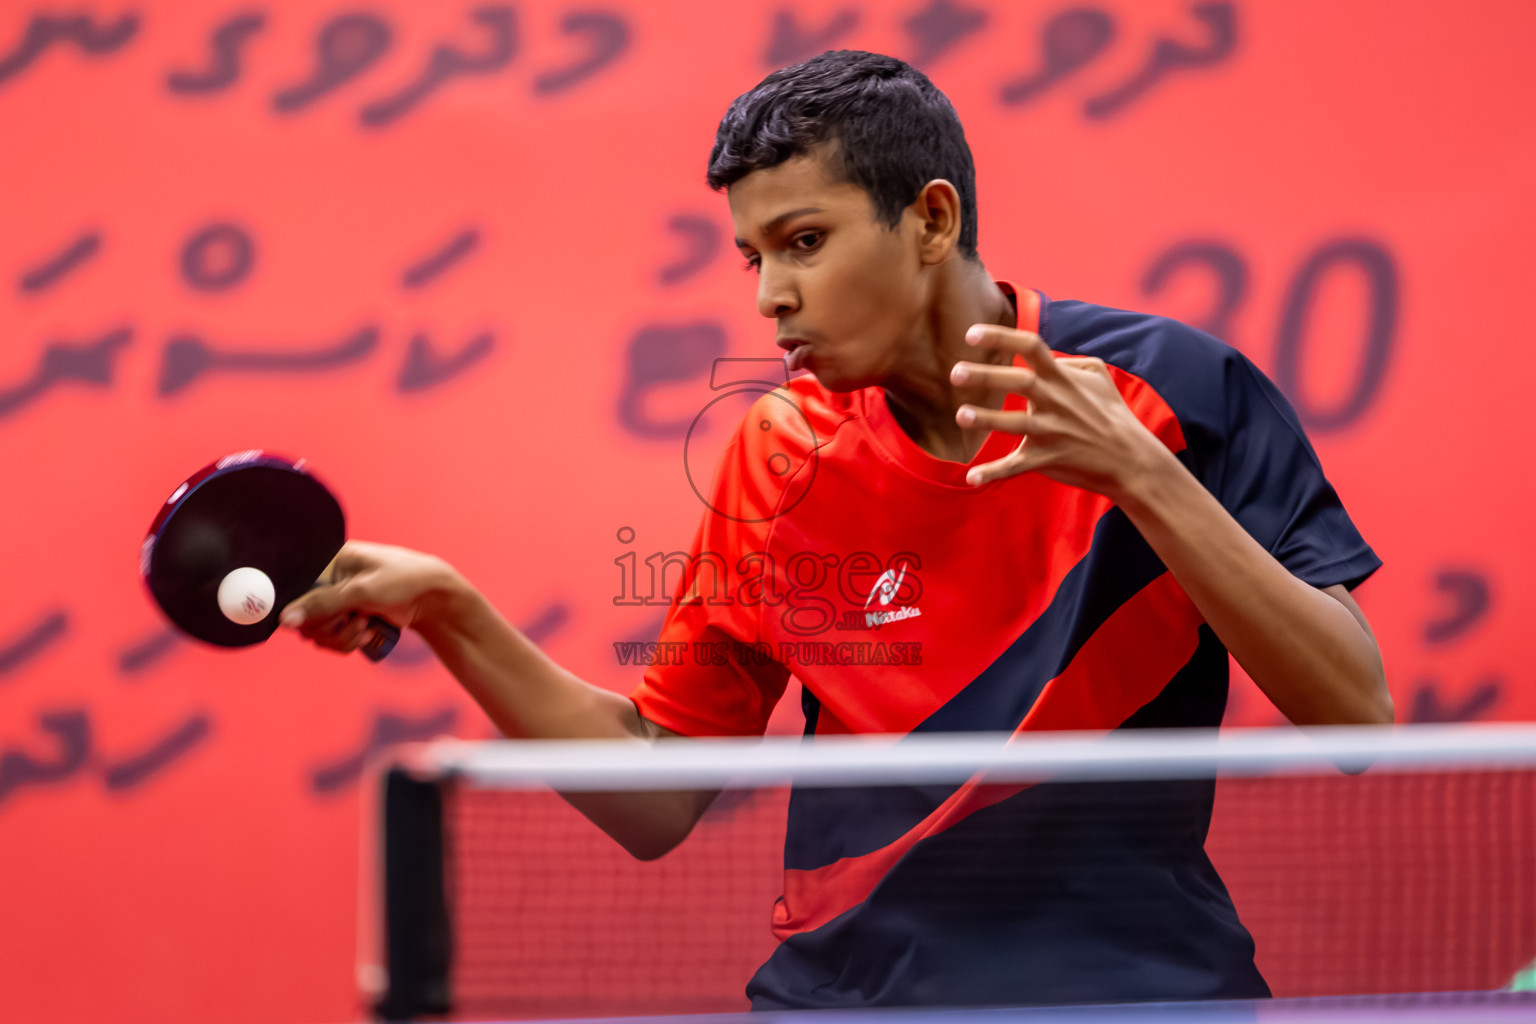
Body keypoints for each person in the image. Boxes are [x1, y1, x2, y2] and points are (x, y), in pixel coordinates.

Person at [281, 50, 1391, 1008]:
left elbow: (1359, 721)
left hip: (1145, 994)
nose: (770, 296)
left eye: (803, 241)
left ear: (931, 219)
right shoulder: (780, 456)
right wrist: (450, 611)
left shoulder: (1172, 390)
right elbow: (658, 792)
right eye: (753, 257)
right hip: (852, 1003)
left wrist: (1143, 476)